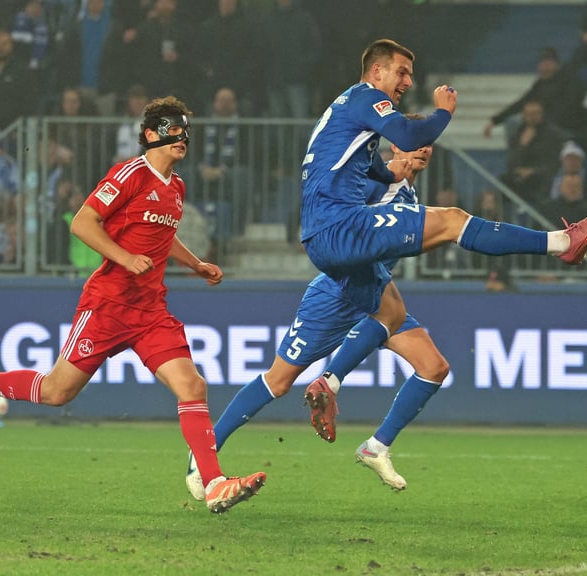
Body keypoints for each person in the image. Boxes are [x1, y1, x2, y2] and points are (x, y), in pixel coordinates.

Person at [0, 96, 266, 514]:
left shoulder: (177, 187)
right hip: (107, 305)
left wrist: (195, 263)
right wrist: (125, 258)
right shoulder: (129, 173)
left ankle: (214, 482)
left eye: (186, 130)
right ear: (150, 135)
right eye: (172, 128)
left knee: (192, 385)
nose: (182, 137)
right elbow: (82, 222)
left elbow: (164, 235)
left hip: (149, 312)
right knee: (56, 392)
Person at [298, 39, 587, 444]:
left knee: (391, 312)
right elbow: (410, 132)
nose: (408, 82)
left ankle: (329, 385)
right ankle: (561, 243)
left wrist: (391, 173)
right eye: (401, 72)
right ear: (376, 72)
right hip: (340, 226)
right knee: (452, 220)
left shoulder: (345, 108)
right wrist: (444, 111)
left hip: (322, 235)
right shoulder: (365, 98)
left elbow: (365, 164)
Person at [186, 141, 448, 499]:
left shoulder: (410, 194)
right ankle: (204, 452)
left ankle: (376, 446)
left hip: (377, 295)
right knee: (278, 381)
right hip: (337, 294)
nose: (422, 151)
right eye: (414, 143)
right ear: (392, 144)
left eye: (428, 146)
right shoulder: (375, 182)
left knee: (433, 367)